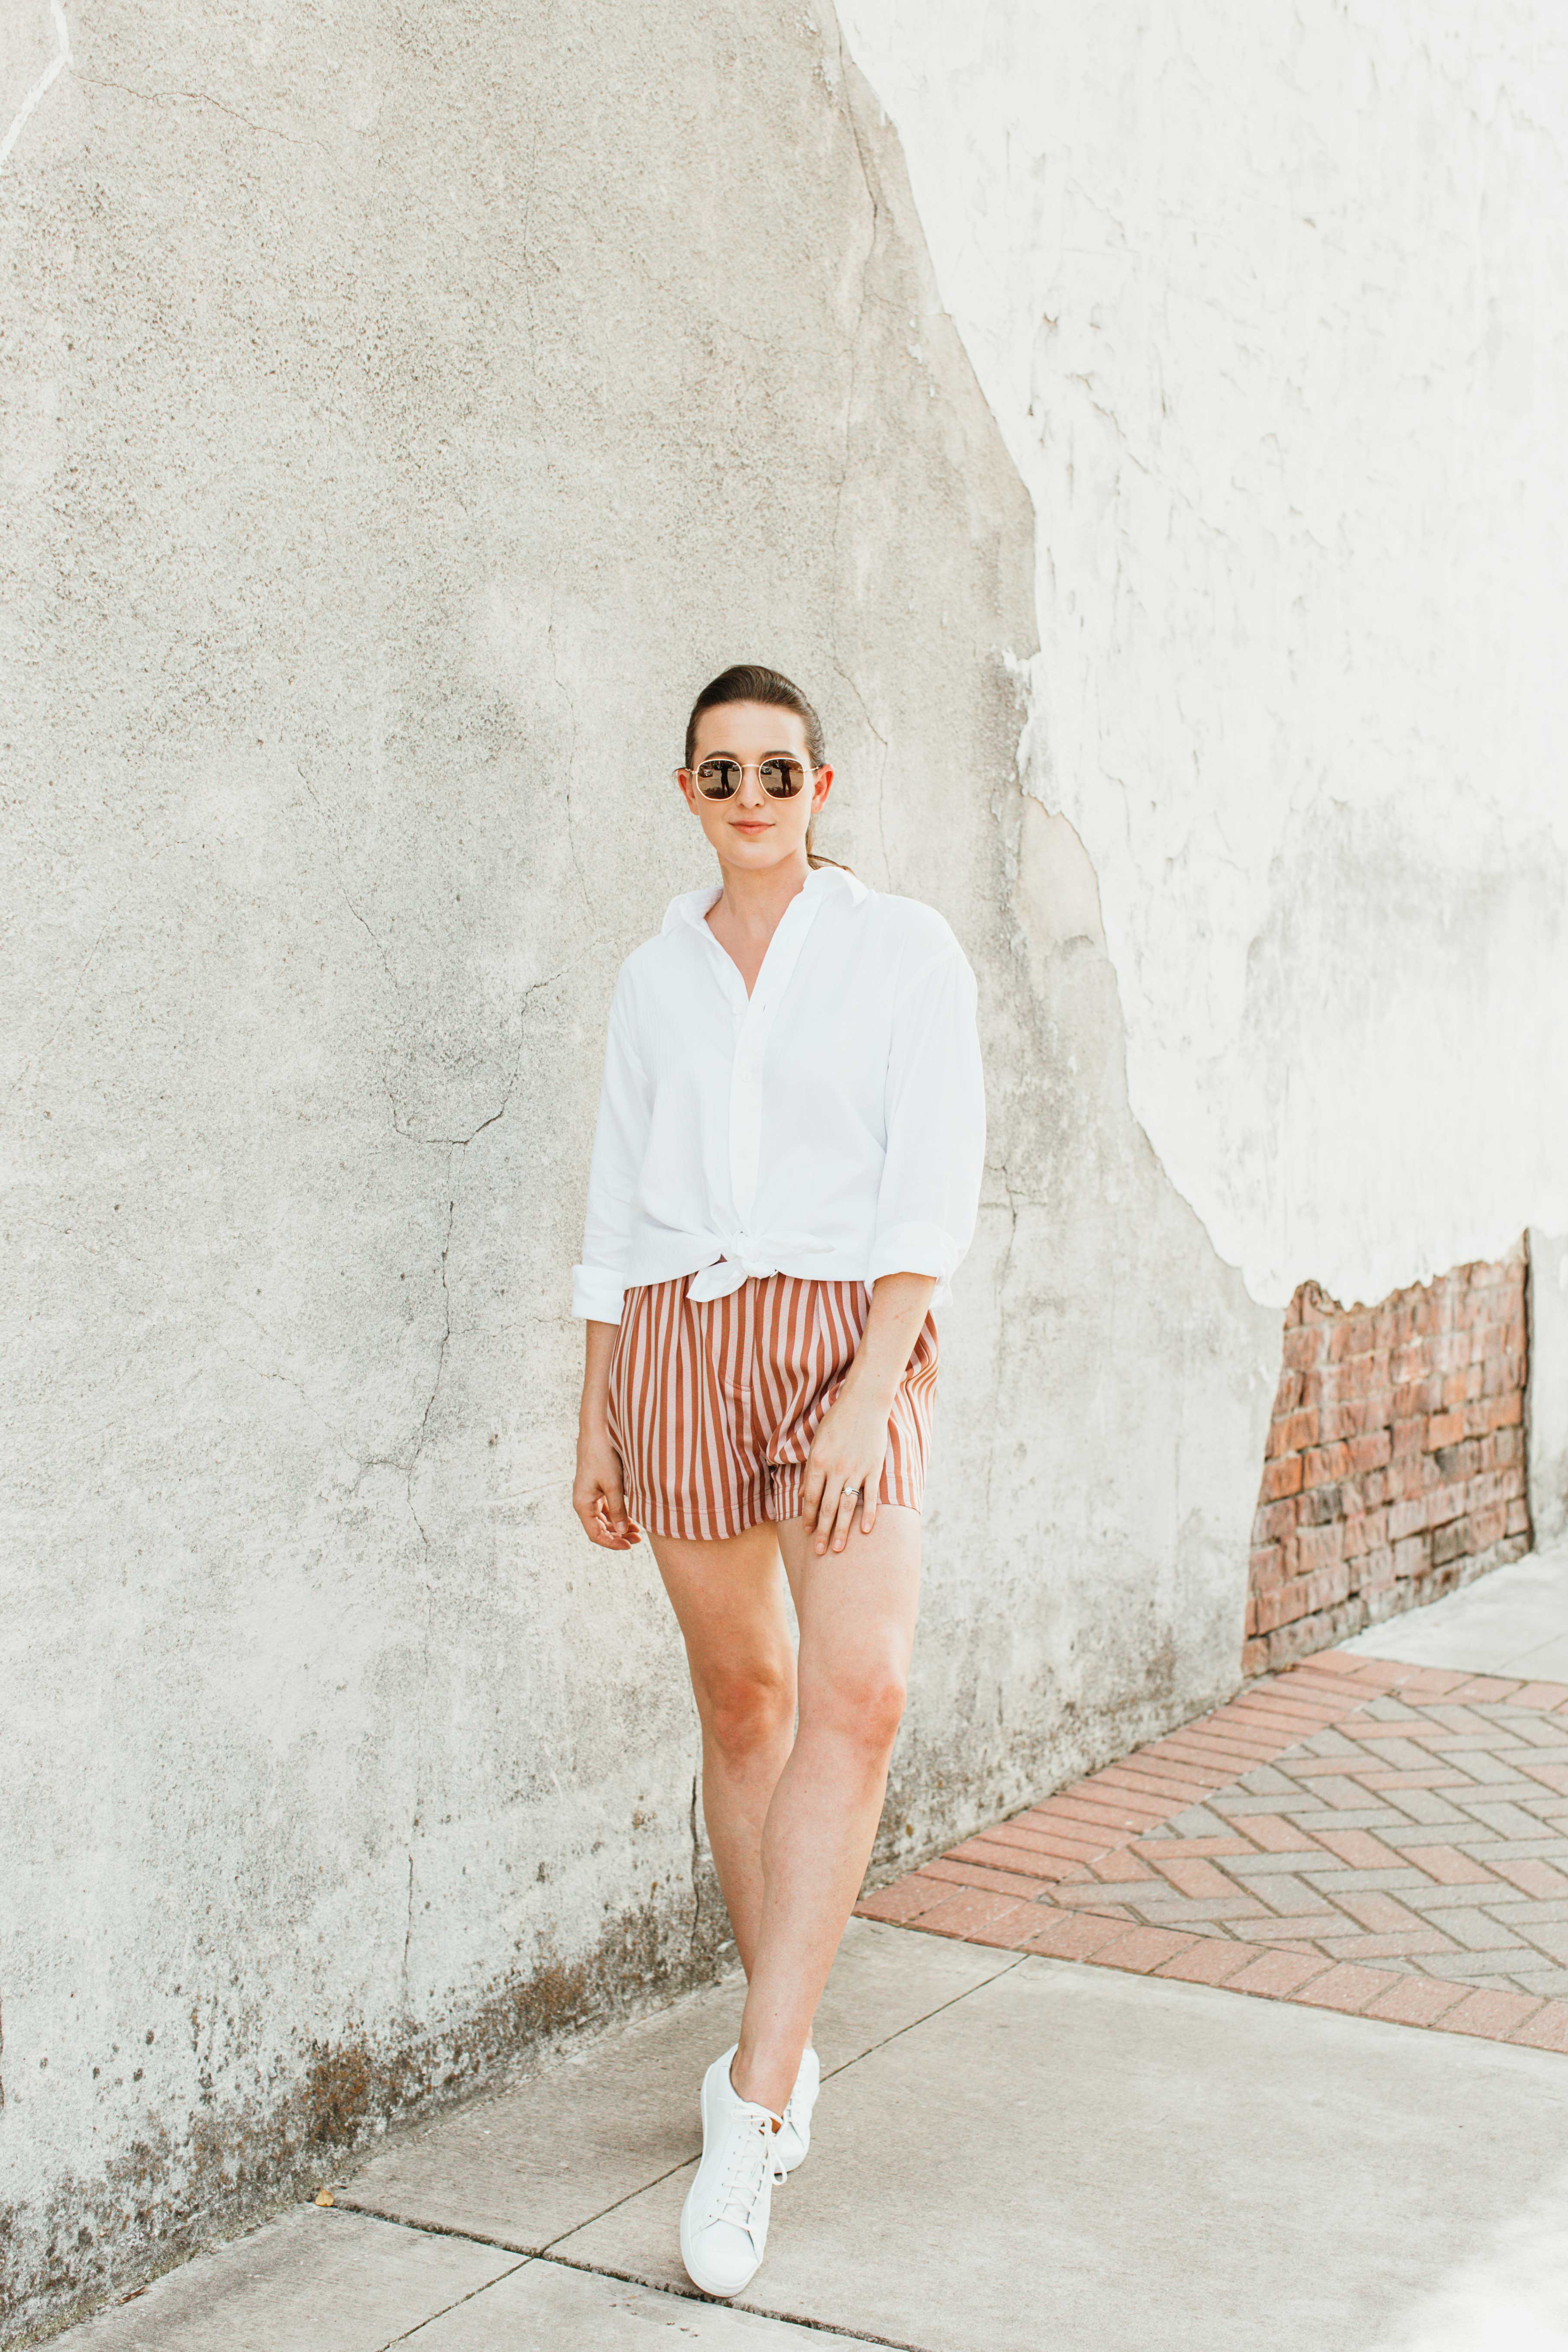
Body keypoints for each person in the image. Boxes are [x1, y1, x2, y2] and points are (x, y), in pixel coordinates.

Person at [570, 663, 985, 2298]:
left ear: (824, 789)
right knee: (744, 1699)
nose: (752, 798)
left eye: (778, 772)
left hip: (841, 1342)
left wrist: (867, 1393)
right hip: (677, 1336)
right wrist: (593, 1415)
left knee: (860, 1699)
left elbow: (928, 1191)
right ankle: (783, 2035)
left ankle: (750, 2110)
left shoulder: (901, 952)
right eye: (721, 775)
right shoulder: (653, 978)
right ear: (687, 793)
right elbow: (613, 1218)